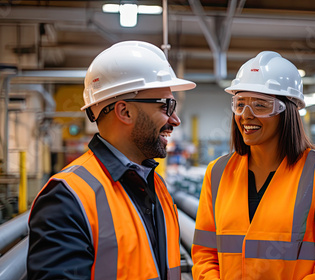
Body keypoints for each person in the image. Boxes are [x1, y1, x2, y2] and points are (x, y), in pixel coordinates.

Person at [27, 41, 196, 280]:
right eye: (166, 106)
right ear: (124, 111)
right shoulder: (66, 197)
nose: (175, 120)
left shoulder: (156, 185)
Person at [191, 51, 315, 279]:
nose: (246, 115)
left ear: (288, 112)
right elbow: (205, 254)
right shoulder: (218, 173)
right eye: (240, 104)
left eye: (261, 105)